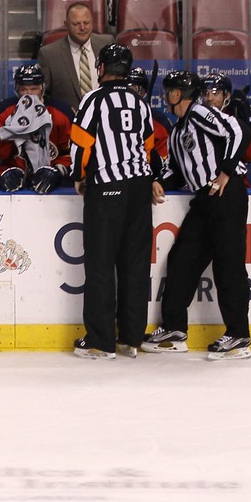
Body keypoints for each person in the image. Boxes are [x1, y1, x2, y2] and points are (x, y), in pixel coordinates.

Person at [141, 71, 251, 361]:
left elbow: (239, 130)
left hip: (226, 196)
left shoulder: (200, 112)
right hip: (204, 200)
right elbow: (179, 170)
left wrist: (226, 171)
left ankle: (239, 335)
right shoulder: (178, 130)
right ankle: (174, 329)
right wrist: (160, 182)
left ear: (179, 94)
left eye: (169, 91)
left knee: (228, 266)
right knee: (182, 260)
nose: (165, 96)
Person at [68, 43, 158, 359]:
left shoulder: (93, 100)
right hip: (139, 189)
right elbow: (148, 147)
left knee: (101, 264)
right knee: (134, 264)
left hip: (107, 188)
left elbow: (81, 145)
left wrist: (79, 177)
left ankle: (100, 341)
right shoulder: (140, 102)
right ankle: (131, 339)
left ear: (102, 69)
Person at [0, 63, 73, 193]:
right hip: (14, 170)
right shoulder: (4, 110)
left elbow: (71, 153)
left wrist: (58, 171)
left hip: (52, 173)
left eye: (34, 89)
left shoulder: (62, 111)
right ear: (16, 89)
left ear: (42, 88)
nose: (29, 94)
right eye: (24, 89)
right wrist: (12, 129)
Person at [38, 2, 113, 114]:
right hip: (69, 124)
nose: (82, 28)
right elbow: (43, 95)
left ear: (92, 22)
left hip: (106, 118)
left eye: (86, 23)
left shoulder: (107, 43)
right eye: (76, 24)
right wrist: (63, 110)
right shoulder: (49, 54)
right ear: (66, 24)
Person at [202, 74, 251, 180]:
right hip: (202, 182)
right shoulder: (194, 117)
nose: (209, 98)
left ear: (227, 95)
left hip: (235, 182)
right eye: (206, 93)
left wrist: (244, 117)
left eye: (215, 93)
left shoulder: (239, 115)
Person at [129, 67, 171, 178]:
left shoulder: (160, 121)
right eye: (128, 89)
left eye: (139, 90)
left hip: (149, 179)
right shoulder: (107, 117)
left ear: (145, 92)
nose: (133, 95)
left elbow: (165, 162)